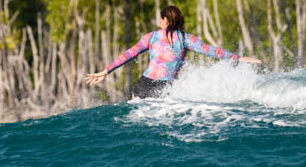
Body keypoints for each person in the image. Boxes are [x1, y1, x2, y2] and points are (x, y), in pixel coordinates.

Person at [86, 5, 261, 98]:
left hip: (143, 84)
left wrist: (106, 71)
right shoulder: (186, 39)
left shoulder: (152, 36)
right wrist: (239, 58)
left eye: (161, 19)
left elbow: (129, 54)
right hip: (164, 87)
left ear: (165, 20)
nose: (160, 22)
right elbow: (212, 51)